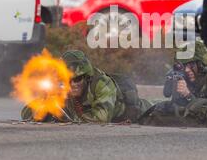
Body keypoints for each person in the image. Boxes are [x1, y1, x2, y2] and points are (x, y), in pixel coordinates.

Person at [21, 50, 152, 123]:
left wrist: (65, 117)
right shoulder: (61, 88)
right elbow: (25, 113)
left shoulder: (102, 84)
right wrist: (45, 102)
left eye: (77, 79)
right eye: (68, 80)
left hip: (142, 112)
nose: (73, 84)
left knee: (165, 110)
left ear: (86, 76)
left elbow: (100, 119)